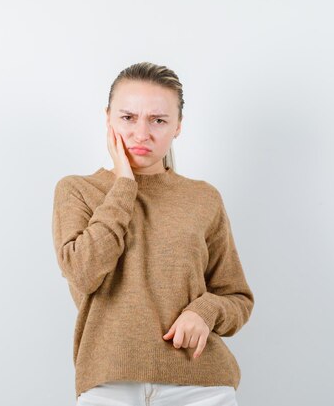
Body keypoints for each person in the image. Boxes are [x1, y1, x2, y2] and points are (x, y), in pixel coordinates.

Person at [51, 62, 255, 406]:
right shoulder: (77, 191)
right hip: (109, 383)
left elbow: (237, 297)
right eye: (128, 117)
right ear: (108, 118)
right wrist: (124, 185)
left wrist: (204, 312)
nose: (141, 133)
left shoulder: (203, 198)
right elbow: (83, 272)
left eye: (158, 120)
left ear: (178, 126)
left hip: (200, 384)